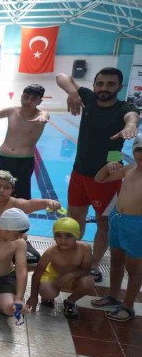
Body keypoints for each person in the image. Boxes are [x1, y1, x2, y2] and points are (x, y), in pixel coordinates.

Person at [56, 67, 139, 282]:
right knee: (74, 219)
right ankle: (73, 258)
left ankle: (94, 264)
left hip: (108, 177)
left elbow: (132, 117)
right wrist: (72, 92)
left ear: (120, 87)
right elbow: (61, 76)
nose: (104, 88)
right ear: (94, 86)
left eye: (110, 84)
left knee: (104, 223)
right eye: (100, 84)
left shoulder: (124, 107)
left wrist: (131, 126)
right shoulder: (89, 99)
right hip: (79, 172)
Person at [91, 134, 142, 321]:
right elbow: (99, 179)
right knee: (116, 261)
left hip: (137, 225)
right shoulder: (129, 169)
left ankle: (128, 306)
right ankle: (113, 296)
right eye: (138, 150)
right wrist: (108, 166)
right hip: (117, 219)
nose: (141, 154)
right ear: (133, 151)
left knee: (134, 268)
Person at [0, 170, 61, 265]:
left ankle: (6, 267)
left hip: (11, 244)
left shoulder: (17, 204)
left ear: (12, 190)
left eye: (6, 187)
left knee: (34, 260)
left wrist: (50, 202)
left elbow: (32, 203)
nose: (1, 190)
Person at [0, 84, 49, 200]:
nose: (28, 101)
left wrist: (42, 118)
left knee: (20, 196)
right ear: (21, 97)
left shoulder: (41, 115)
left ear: (39, 101)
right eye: (26, 97)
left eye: (33, 99)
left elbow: (44, 115)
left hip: (23, 162)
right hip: (1, 158)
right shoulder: (12, 111)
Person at [27, 218, 93, 318]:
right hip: (53, 277)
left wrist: (69, 275)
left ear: (77, 236)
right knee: (46, 291)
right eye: (58, 235)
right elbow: (37, 274)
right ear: (54, 237)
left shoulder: (85, 248)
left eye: (68, 236)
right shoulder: (51, 252)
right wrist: (33, 297)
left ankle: (70, 301)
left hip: (74, 278)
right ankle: (47, 298)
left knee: (88, 282)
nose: (63, 240)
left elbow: (86, 270)